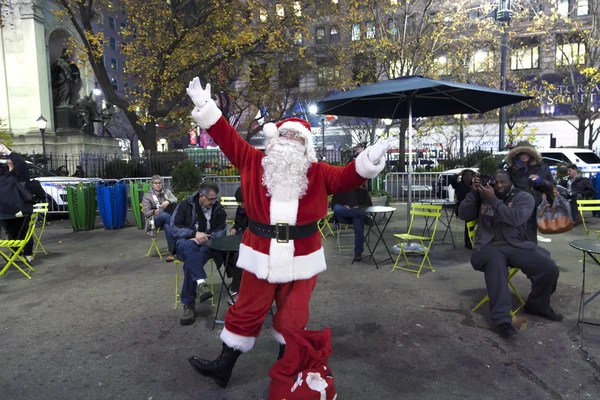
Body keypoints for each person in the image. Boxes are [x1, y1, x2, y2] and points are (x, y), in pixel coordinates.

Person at [184, 79, 390, 388]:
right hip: (260, 252)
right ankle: (224, 366)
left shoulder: (318, 172)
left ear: (306, 147)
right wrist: (206, 108)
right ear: (274, 141)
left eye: (297, 140)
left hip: (302, 255)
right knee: (247, 309)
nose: (289, 146)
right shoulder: (253, 161)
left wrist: (368, 162)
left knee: (294, 314)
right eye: (285, 138)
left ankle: (287, 372)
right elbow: (226, 137)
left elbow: (348, 177)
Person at [458, 170, 562, 338]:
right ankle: (501, 319)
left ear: (511, 182)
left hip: (516, 244)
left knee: (548, 267)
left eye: (503, 182)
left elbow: (515, 218)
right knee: (496, 264)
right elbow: (463, 214)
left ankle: (538, 305)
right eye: (495, 182)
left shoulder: (523, 198)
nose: (499, 186)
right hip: (487, 246)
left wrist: (493, 199)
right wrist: (473, 192)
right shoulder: (481, 195)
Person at [170, 180, 227, 326]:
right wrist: (194, 234)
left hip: (207, 244)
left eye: (216, 199)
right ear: (201, 196)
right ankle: (201, 282)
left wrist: (207, 237)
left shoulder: (218, 208)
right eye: (211, 199)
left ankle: (188, 304)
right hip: (185, 242)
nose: (214, 202)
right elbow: (174, 227)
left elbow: (222, 229)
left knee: (191, 262)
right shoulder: (185, 205)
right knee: (190, 248)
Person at [0, 144, 46, 261]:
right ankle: (17, 253)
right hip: (6, 211)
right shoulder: (5, 176)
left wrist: (8, 152)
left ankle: (27, 255)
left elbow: (21, 164)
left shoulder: (19, 175)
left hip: (21, 209)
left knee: (23, 232)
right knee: (12, 233)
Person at [505, 141, 554, 244]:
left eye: (526, 153)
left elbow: (551, 186)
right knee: (516, 233)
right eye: (521, 153)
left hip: (535, 205)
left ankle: (532, 255)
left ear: (531, 154)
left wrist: (540, 180)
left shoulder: (542, 167)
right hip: (517, 205)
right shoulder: (511, 170)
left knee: (530, 234)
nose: (524, 156)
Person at [213, 186, 248, 305]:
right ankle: (235, 279)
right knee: (225, 251)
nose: (240, 204)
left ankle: (238, 288)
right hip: (239, 236)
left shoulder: (255, 210)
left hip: (250, 240)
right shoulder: (240, 209)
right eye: (239, 202)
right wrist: (234, 228)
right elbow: (238, 224)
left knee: (239, 255)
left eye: (242, 201)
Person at [331, 186, 372, 262]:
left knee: (358, 221)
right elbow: (333, 205)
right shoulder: (340, 190)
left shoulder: (362, 191)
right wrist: (343, 206)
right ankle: (363, 216)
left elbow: (369, 204)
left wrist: (359, 207)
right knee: (337, 208)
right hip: (344, 215)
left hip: (356, 215)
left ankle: (358, 253)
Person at [142, 175, 178, 261]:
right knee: (166, 216)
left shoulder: (167, 192)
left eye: (159, 183)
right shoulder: (147, 196)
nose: (157, 185)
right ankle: (179, 242)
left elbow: (175, 199)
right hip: (154, 219)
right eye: (155, 183)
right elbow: (146, 213)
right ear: (152, 184)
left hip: (167, 219)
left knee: (167, 225)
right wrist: (154, 212)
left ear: (162, 184)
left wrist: (167, 201)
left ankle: (172, 253)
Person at [450, 169, 475, 249]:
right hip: (462, 209)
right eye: (465, 175)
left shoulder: (474, 186)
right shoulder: (458, 185)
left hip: (474, 209)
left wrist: (477, 175)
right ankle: (468, 242)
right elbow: (452, 179)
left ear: (472, 176)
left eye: (469, 175)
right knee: (470, 217)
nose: (467, 177)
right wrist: (459, 173)